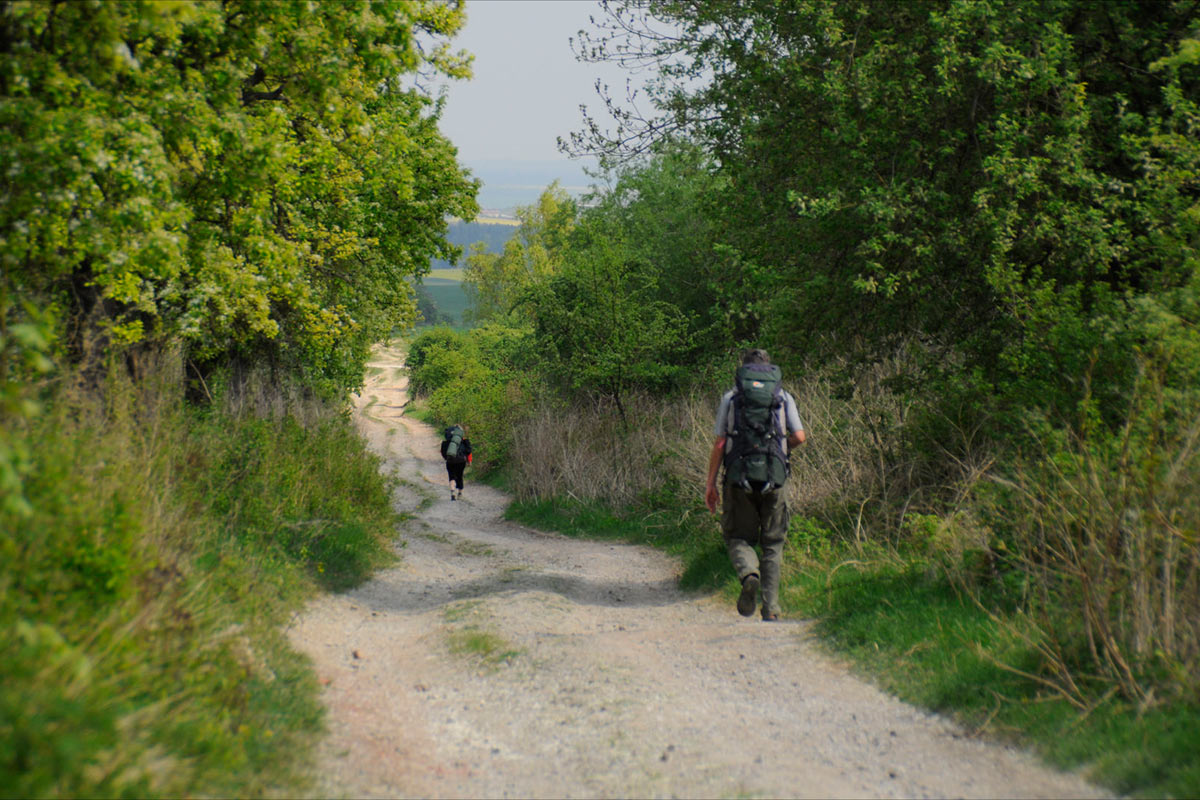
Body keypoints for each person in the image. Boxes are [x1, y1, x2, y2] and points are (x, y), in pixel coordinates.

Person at [704, 349, 806, 621]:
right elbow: (799, 436)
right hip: (775, 476)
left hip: (738, 478)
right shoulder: (783, 397)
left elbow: (720, 443)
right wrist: (781, 450)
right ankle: (771, 609)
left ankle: (749, 573)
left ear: (744, 370)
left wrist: (710, 483)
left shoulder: (732, 397)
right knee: (773, 543)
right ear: (769, 368)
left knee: (737, 536)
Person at [440, 423, 473, 500]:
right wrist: (469, 461)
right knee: (459, 476)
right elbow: (469, 451)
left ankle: (452, 492)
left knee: (451, 476)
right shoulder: (464, 441)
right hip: (461, 461)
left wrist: (447, 458)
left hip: (450, 460)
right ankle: (460, 493)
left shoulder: (447, 442)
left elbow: (443, 452)